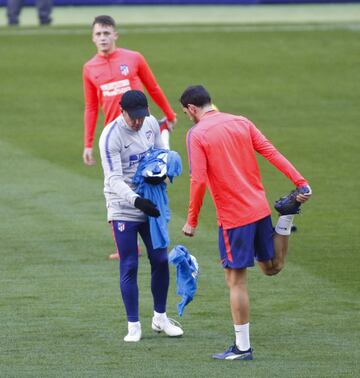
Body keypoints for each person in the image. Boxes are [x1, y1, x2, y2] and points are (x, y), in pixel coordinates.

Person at [180, 85, 311, 360]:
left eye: (186, 113)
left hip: (234, 218)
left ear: (192, 109)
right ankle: (285, 216)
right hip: (259, 209)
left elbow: (199, 180)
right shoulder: (241, 121)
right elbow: (271, 152)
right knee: (272, 267)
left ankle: (242, 348)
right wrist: (300, 181)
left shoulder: (197, 134)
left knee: (235, 281)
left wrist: (191, 220)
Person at [98, 90, 183, 342]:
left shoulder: (150, 124)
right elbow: (112, 179)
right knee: (130, 264)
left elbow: (158, 154)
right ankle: (133, 325)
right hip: (123, 205)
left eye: (141, 116)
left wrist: (162, 172)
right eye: (133, 117)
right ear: (122, 111)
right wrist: (136, 200)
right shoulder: (110, 137)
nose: (137, 122)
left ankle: (160, 318)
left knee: (159, 259)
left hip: (151, 200)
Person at [83, 14, 176, 167]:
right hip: (114, 134)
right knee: (116, 182)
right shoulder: (89, 68)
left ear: (115, 35)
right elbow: (91, 108)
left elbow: (153, 88)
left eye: (106, 33)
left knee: (151, 178)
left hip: (141, 127)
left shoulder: (134, 58)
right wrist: (88, 144)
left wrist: (170, 114)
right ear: (93, 38)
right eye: (98, 34)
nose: (103, 38)